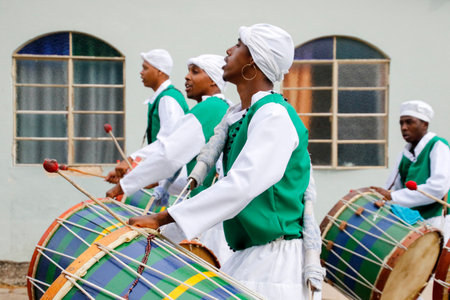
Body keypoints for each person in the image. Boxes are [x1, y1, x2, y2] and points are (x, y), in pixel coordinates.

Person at [128, 24, 324, 299]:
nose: (229, 51)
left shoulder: (274, 116)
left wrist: (163, 218)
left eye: (239, 45)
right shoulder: (241, 116)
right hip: (251, 258)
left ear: (253, 62)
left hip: (273, 267)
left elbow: (241, 185)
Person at [106, 54, 233, 263]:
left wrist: (125, 185)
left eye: (195, 72)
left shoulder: (210, 108)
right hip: (211, 210)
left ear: (212, 80)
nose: (186, 77)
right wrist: (159, 181)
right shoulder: (220, 107)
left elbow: (169, 153)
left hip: (212, 215)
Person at [371, 100, 450, 244]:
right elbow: (392, 189)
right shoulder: (403, 155)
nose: (404, 128)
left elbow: (438, 188)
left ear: (424, 124)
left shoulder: (438, 145)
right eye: (401, 123)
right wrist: (377, 197)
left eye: (409, 122)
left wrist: (392, 196)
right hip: (413, 224)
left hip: (439, 221)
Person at [105, 49, 188, 183]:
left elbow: (168, 143)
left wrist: (131, 159)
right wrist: (129, 175)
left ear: (160, 71)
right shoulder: (161, 98)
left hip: (176, 180)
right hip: (167, 177)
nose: (141, 72)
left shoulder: (168, 99)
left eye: (145, 68)